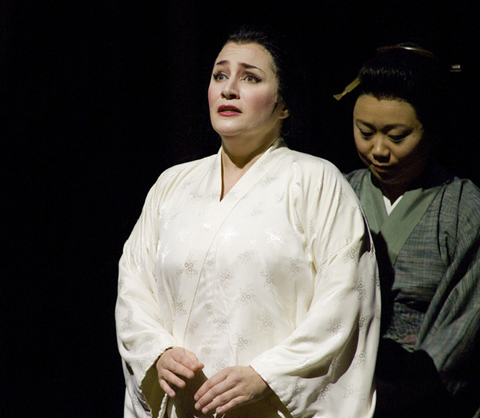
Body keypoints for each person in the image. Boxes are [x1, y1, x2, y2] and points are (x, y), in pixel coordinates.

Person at [115, 27, 380, 418]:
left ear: (284, 104)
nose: (229, 89)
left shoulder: (316, 181)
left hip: (268, 406)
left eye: (250, 78)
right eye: (220, 75)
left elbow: (345, 300)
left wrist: (266, 375)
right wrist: (158, 351)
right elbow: (134, 284)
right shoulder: (172, 184)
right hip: (184, 402)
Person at [339, 44, 480, 418]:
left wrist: (409, 386)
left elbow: (467, 324)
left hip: (424, 396)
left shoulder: (465, 208)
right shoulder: (337, 193)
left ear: (431, 131)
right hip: (338, 383)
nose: (378, 150)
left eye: (397, 136)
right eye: (365, 132)